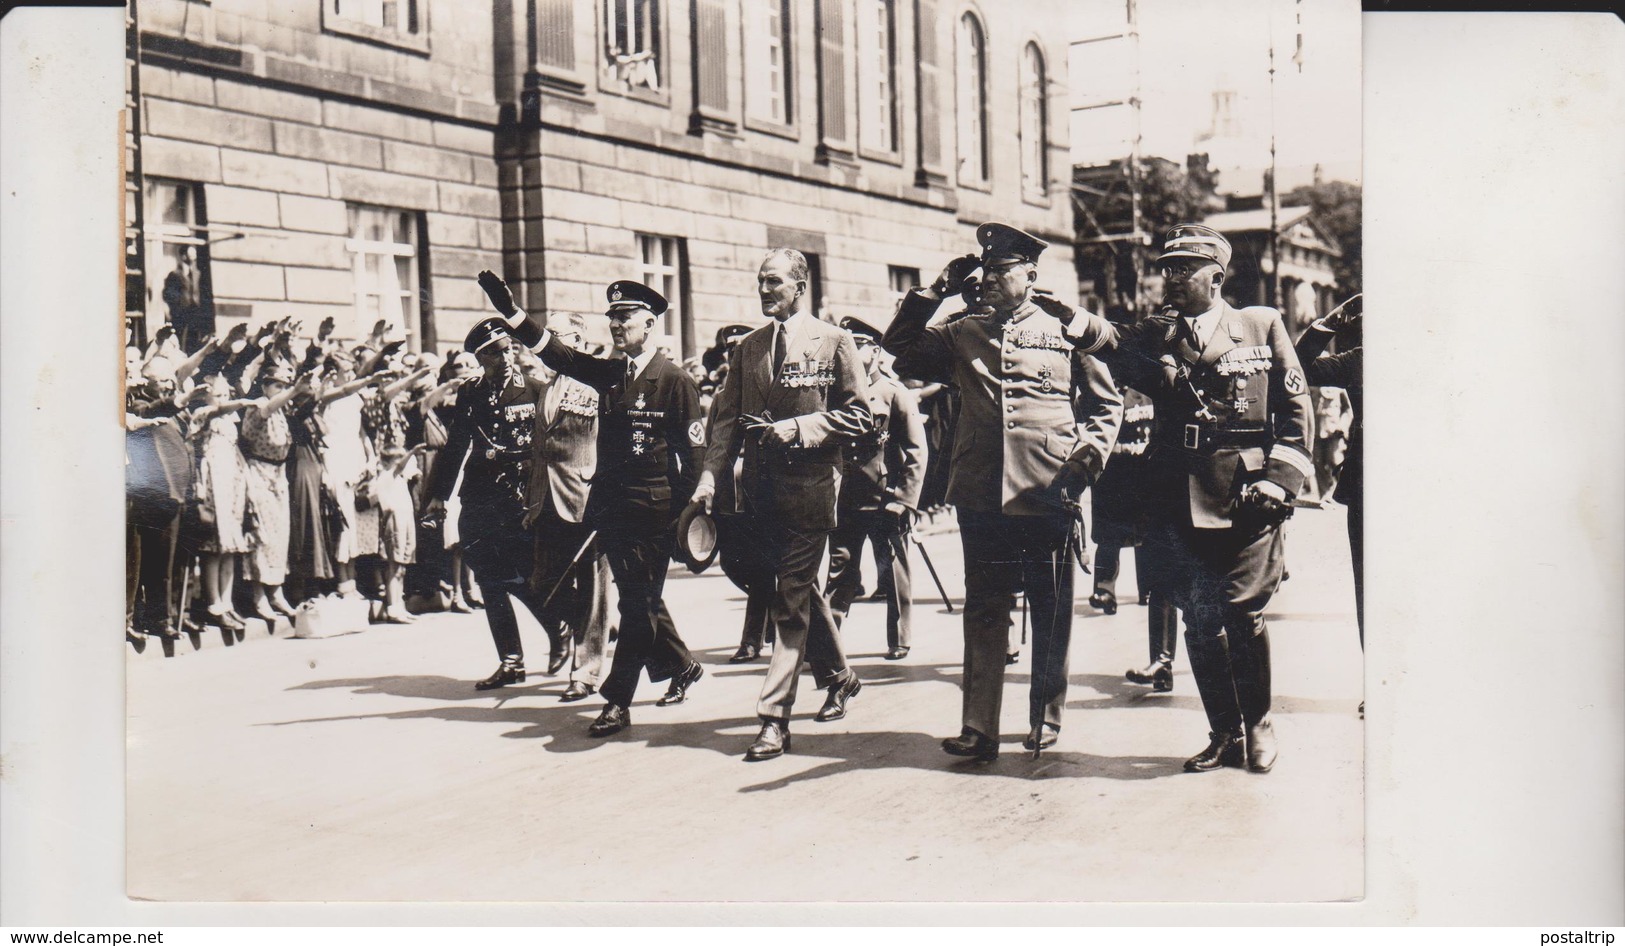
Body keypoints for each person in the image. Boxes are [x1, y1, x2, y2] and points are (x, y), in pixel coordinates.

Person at [883, 223, 1123, 763]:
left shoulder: (1066, 328)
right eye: (984, 271)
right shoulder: (963, 330)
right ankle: (978, 727)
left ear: (1031, 275)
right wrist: (935, 292)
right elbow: (897, 350)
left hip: (1049, 486)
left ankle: (1044, 717)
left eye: (1000, 271)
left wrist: (1085, 463)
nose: (988, 279)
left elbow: (1107, 407)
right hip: (981, 489)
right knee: (985, 607)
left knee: (1050, 607)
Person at [1118, 224, 1315, 774]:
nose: (1171, 279)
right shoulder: (1157, 334)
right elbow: (1112, 351)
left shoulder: (1260, 324)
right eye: (1167, 269)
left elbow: (1297, 413)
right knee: (1200, 620)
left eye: (1184, 269)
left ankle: (1258, 724)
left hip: (1249, 495)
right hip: (1178, 497)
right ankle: (1224, 732)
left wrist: (1280, 480)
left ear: (1217, 277)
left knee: (1241, 612)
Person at [490, 274, 707, 737]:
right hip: (611, 511)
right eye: (611, 316)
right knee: (640, 601)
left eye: (625, 316)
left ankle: (616, 700)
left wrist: (684, 523)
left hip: (653, 513)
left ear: (649, 324)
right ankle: (682, 665)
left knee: (635, 607)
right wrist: (512, 313)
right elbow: (558, 354)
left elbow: (693, 459)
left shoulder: (673, 381)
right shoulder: (611, 373)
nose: (615, 323)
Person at [690, 248, 873, 761]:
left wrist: (796, 429)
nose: (764, 290)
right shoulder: (748, 348)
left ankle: (774, 718)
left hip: (812, 490)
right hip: (759, 494)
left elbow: (860, 418)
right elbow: (724, 420)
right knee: (785, 587)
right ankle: (838, 674)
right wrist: (709, 478)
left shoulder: (834, 341)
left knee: (788, 599)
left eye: (773, 282)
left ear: (799, 285)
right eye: (759, 282)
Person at [424, 317, 564, 691]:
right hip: (481, 496)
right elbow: (456, 446)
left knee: (522, 575)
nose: (504, 358)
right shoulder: (471, 393)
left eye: (508, 349)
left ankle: (557, 626)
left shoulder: (536, 389)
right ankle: (511, 661)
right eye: (493, 354)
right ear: (480, 358)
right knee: (488, 578)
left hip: (519, 497)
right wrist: (439, 495)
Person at [519, 312, 615, 703]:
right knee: (542, 584)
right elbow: (540, 451)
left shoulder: (596, 385)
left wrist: (606, 495)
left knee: (593, 590)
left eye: (555, 336)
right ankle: (595, 630)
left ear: (577, 340)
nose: (548, 343)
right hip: (546, 499)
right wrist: (532, 498)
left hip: (585, 498)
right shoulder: (546, 387)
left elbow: (608, 444)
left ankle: (586, 672)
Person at [826, 316, 927, 660]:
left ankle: (899, 639)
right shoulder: (834, 395)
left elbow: (916, 450)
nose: (850, 354)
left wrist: (905, 499)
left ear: (874, 351)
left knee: (893, 569)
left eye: (857, 346)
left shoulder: (893, 393)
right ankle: (827, 643)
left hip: (886, 499)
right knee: (840, 571)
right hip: (845, 500)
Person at [1296, 293, 1363, 711]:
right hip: (1370, 483)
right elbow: (1299, 368)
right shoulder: (1361, 358)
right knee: (1369, 585)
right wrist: (1331, 323)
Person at [701, 323, 776, 663]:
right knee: (732, 564)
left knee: (765, 568)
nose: (733, 358)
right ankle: (776, 615)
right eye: (729, 353)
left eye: (739, 352)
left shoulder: (771, 390)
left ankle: (751, 640)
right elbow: (714, 446)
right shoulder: (720, 399)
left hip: (764, 492)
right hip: (730, 496)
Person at [239, 360, 311, 623]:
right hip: (259, 473)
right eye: (277, 385)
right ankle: (259, 595)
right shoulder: (259, 406)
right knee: (262, 535)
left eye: (284, 385)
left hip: (278, 476)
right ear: (264, 386)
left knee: (280, 536)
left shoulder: (281, 411)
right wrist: (292, 392)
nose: (281, 390)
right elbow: (268, 409)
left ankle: (277, 591)